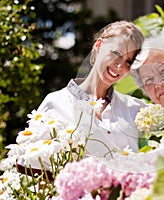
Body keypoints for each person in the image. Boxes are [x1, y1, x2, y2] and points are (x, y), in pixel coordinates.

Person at [36, 20, 146, 158]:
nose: (119, 66)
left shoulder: (137, 110)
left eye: (128, 61)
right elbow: (31, 163)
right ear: (99, 45)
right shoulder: (55, 103)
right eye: (117, 53)